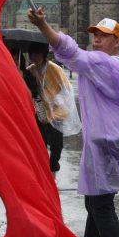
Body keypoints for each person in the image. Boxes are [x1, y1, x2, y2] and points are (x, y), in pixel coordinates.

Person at [29, 10, 119, 237]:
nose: (96, 40)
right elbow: (72, 55)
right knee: (95, 204)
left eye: (104, 37)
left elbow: (69, 50)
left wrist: (43, 24)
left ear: (117, 42)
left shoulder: (103, 65)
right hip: (104, 144)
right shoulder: (105, 66)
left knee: (102, 207)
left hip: (106, 146)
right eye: (95, 35)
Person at [27, 42, 81, 172]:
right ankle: (44, 166)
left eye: (38, 54)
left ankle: (54, 160)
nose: (35, 57)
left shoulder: (54, 69)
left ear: (44, 54)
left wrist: (57, 101)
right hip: (40, 112)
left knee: (57, 143)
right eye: (33, 54)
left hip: (57, 111)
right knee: (41, 141)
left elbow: (65, 88)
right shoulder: (30, 70)